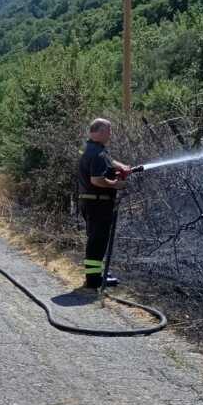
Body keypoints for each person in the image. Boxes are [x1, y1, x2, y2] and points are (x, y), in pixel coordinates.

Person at [78, 118, 132, 289]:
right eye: (109, 130)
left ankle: (96, 273)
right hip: (98, 204)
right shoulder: (98, 153)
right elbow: (96, 180)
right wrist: (116, 184)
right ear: (100, 131)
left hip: (92, 203)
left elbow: (107, 160)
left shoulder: (92, 149)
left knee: (96, 240)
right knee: (97, 241)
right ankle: (93, 280)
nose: (110, 134)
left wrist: (122, 166)